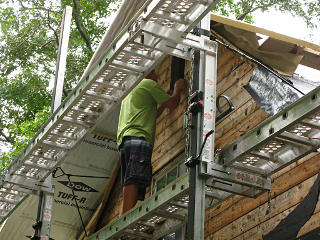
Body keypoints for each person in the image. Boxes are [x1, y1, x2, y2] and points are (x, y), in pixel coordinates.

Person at [117, 70, 186, 216]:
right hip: (139, 137)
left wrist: (162, 103)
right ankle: (124, 218)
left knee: (130, 180)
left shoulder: (129, 93)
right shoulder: (148, 84)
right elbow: (173, 103)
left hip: (125, 140)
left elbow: (151, 113)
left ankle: (123, 216)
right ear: (146, 72)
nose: (158, 75)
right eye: (155, 72)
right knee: (134, 179)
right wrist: (177, 89)